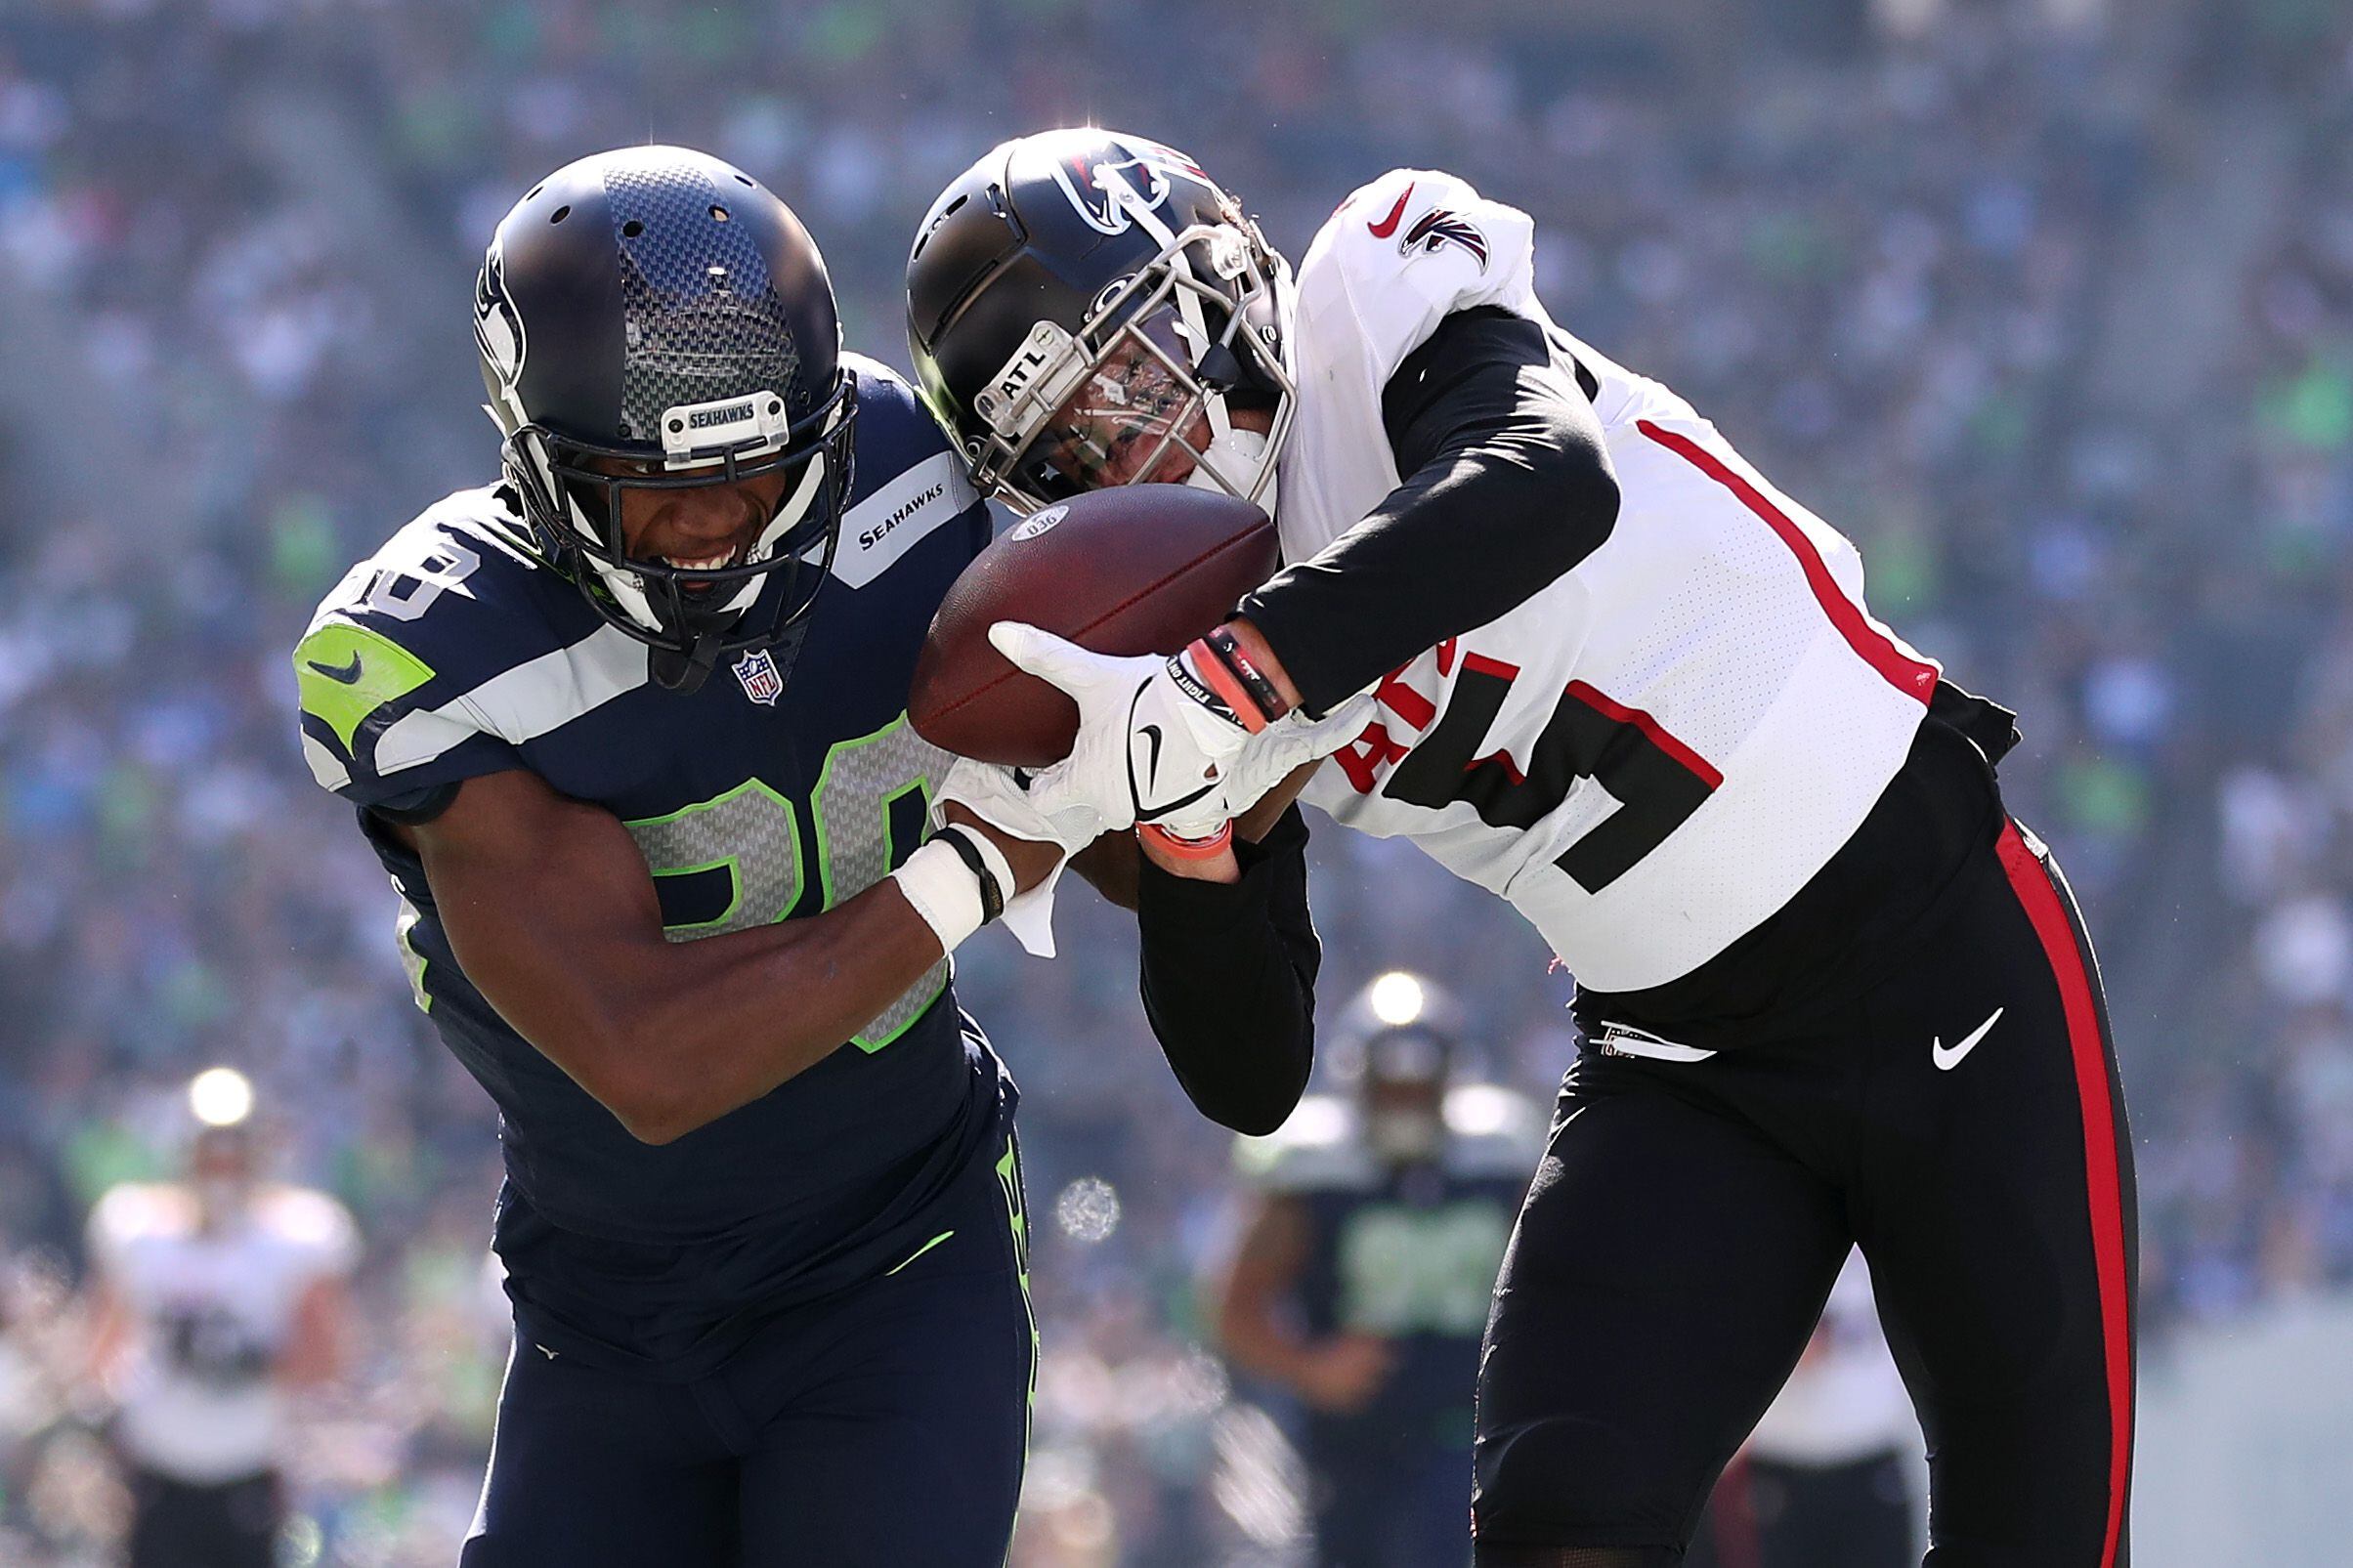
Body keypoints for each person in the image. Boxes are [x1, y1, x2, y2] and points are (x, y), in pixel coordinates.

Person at [906, 128, 2138, 1566]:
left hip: (1937, 944)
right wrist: (1184, 828)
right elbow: (1254, 1074)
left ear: (1216, 283)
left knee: (2041, 1531)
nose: (1124, 449)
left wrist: (1239, 676)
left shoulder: (1370, 310)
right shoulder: (1180, 632)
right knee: (1562, 1510)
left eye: (1122, 376)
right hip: (1686, 1063)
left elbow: (1548, 481)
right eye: (1064, 449)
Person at [291, 145, 1160, 1567]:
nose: (716, 528)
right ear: (538, 459)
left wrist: (1161, 750)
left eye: (755, 475)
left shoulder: (917, 480)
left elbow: (1113, 809)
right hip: (604, 1313)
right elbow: (656, 1064)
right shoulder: (441, 653)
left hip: (898, 1254)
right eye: (655, 491)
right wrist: (975, 871)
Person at [1217, 972, 1536, 1568]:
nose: (1405, 1103)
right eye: (1391, 1087)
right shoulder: (1312, 1175)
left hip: (1474, 1431)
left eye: (1419, 1087)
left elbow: (1558, 1294)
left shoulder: (1501, 1160)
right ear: (1359, 1083)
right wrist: (1310, 1368)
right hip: (1353, 1443)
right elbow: (1234, 1313)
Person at [84, 1071, 357, 1568]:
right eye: (211, 1152)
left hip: (247, 1473)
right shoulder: (139, 1234)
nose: (221, 1170)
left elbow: (328, 1359)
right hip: (155, 1473)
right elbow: (99, 1358)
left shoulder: (293, 1242)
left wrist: (253, 1365)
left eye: (234, 1154)